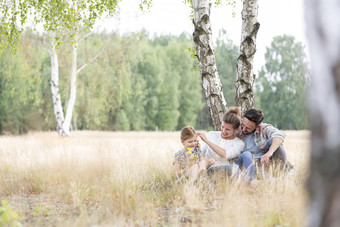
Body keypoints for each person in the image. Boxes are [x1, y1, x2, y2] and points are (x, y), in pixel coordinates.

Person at [197, 107, 255, 182]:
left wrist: (207, 141)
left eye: (228, 129)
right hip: (211, 169)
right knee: (233, 168)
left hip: (227, 171)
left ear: (236, 129)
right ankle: (251, 183)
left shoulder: (239, 143)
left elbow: (225, 155)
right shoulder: (211, 135)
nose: (224, 131)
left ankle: (249, 182)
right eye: (222, 127)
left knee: (246, 155)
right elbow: (202, 153)